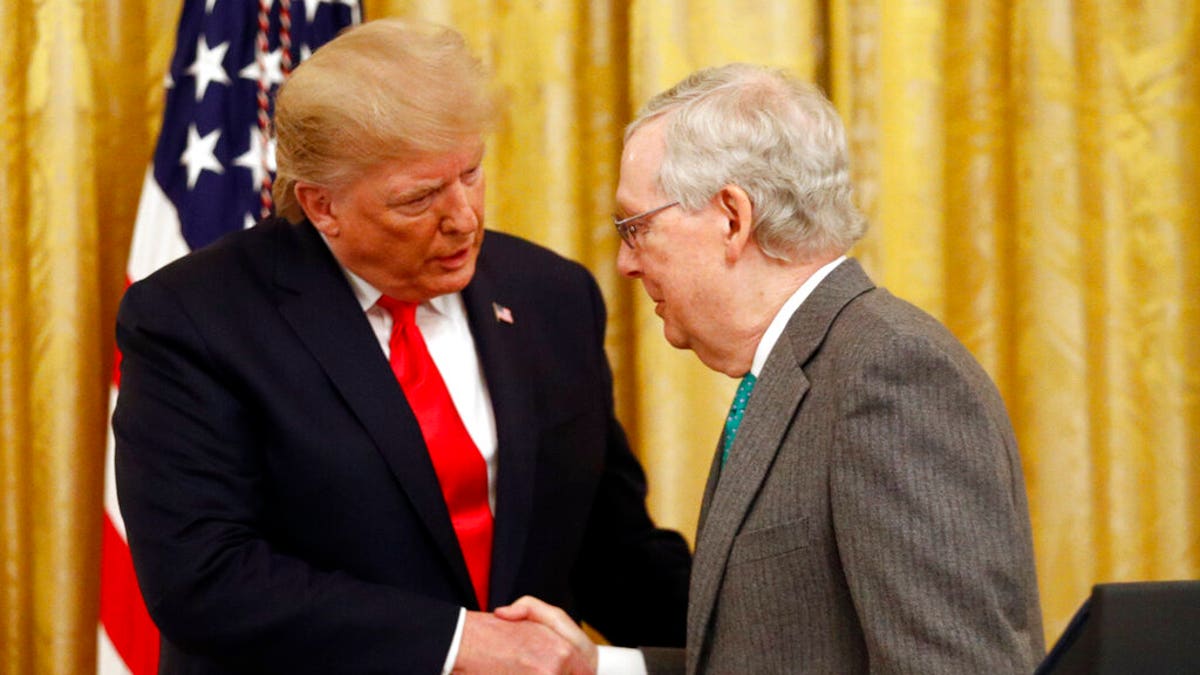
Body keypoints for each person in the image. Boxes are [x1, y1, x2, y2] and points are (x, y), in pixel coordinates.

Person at [112, 18, 690, 674]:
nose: (465, 217)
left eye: (471, 172)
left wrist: (769, 635)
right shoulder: (195, 319)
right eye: (419, 199)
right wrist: (458, 643)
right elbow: (205, 578)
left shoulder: (550, 296)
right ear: (321, 205)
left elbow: (611, 549)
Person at [566, 63, 1044, 673]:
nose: (626, 263)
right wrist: (597, 667)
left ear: (732, 218)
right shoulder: (796, 369)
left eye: (636, 228)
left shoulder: (891, 376)